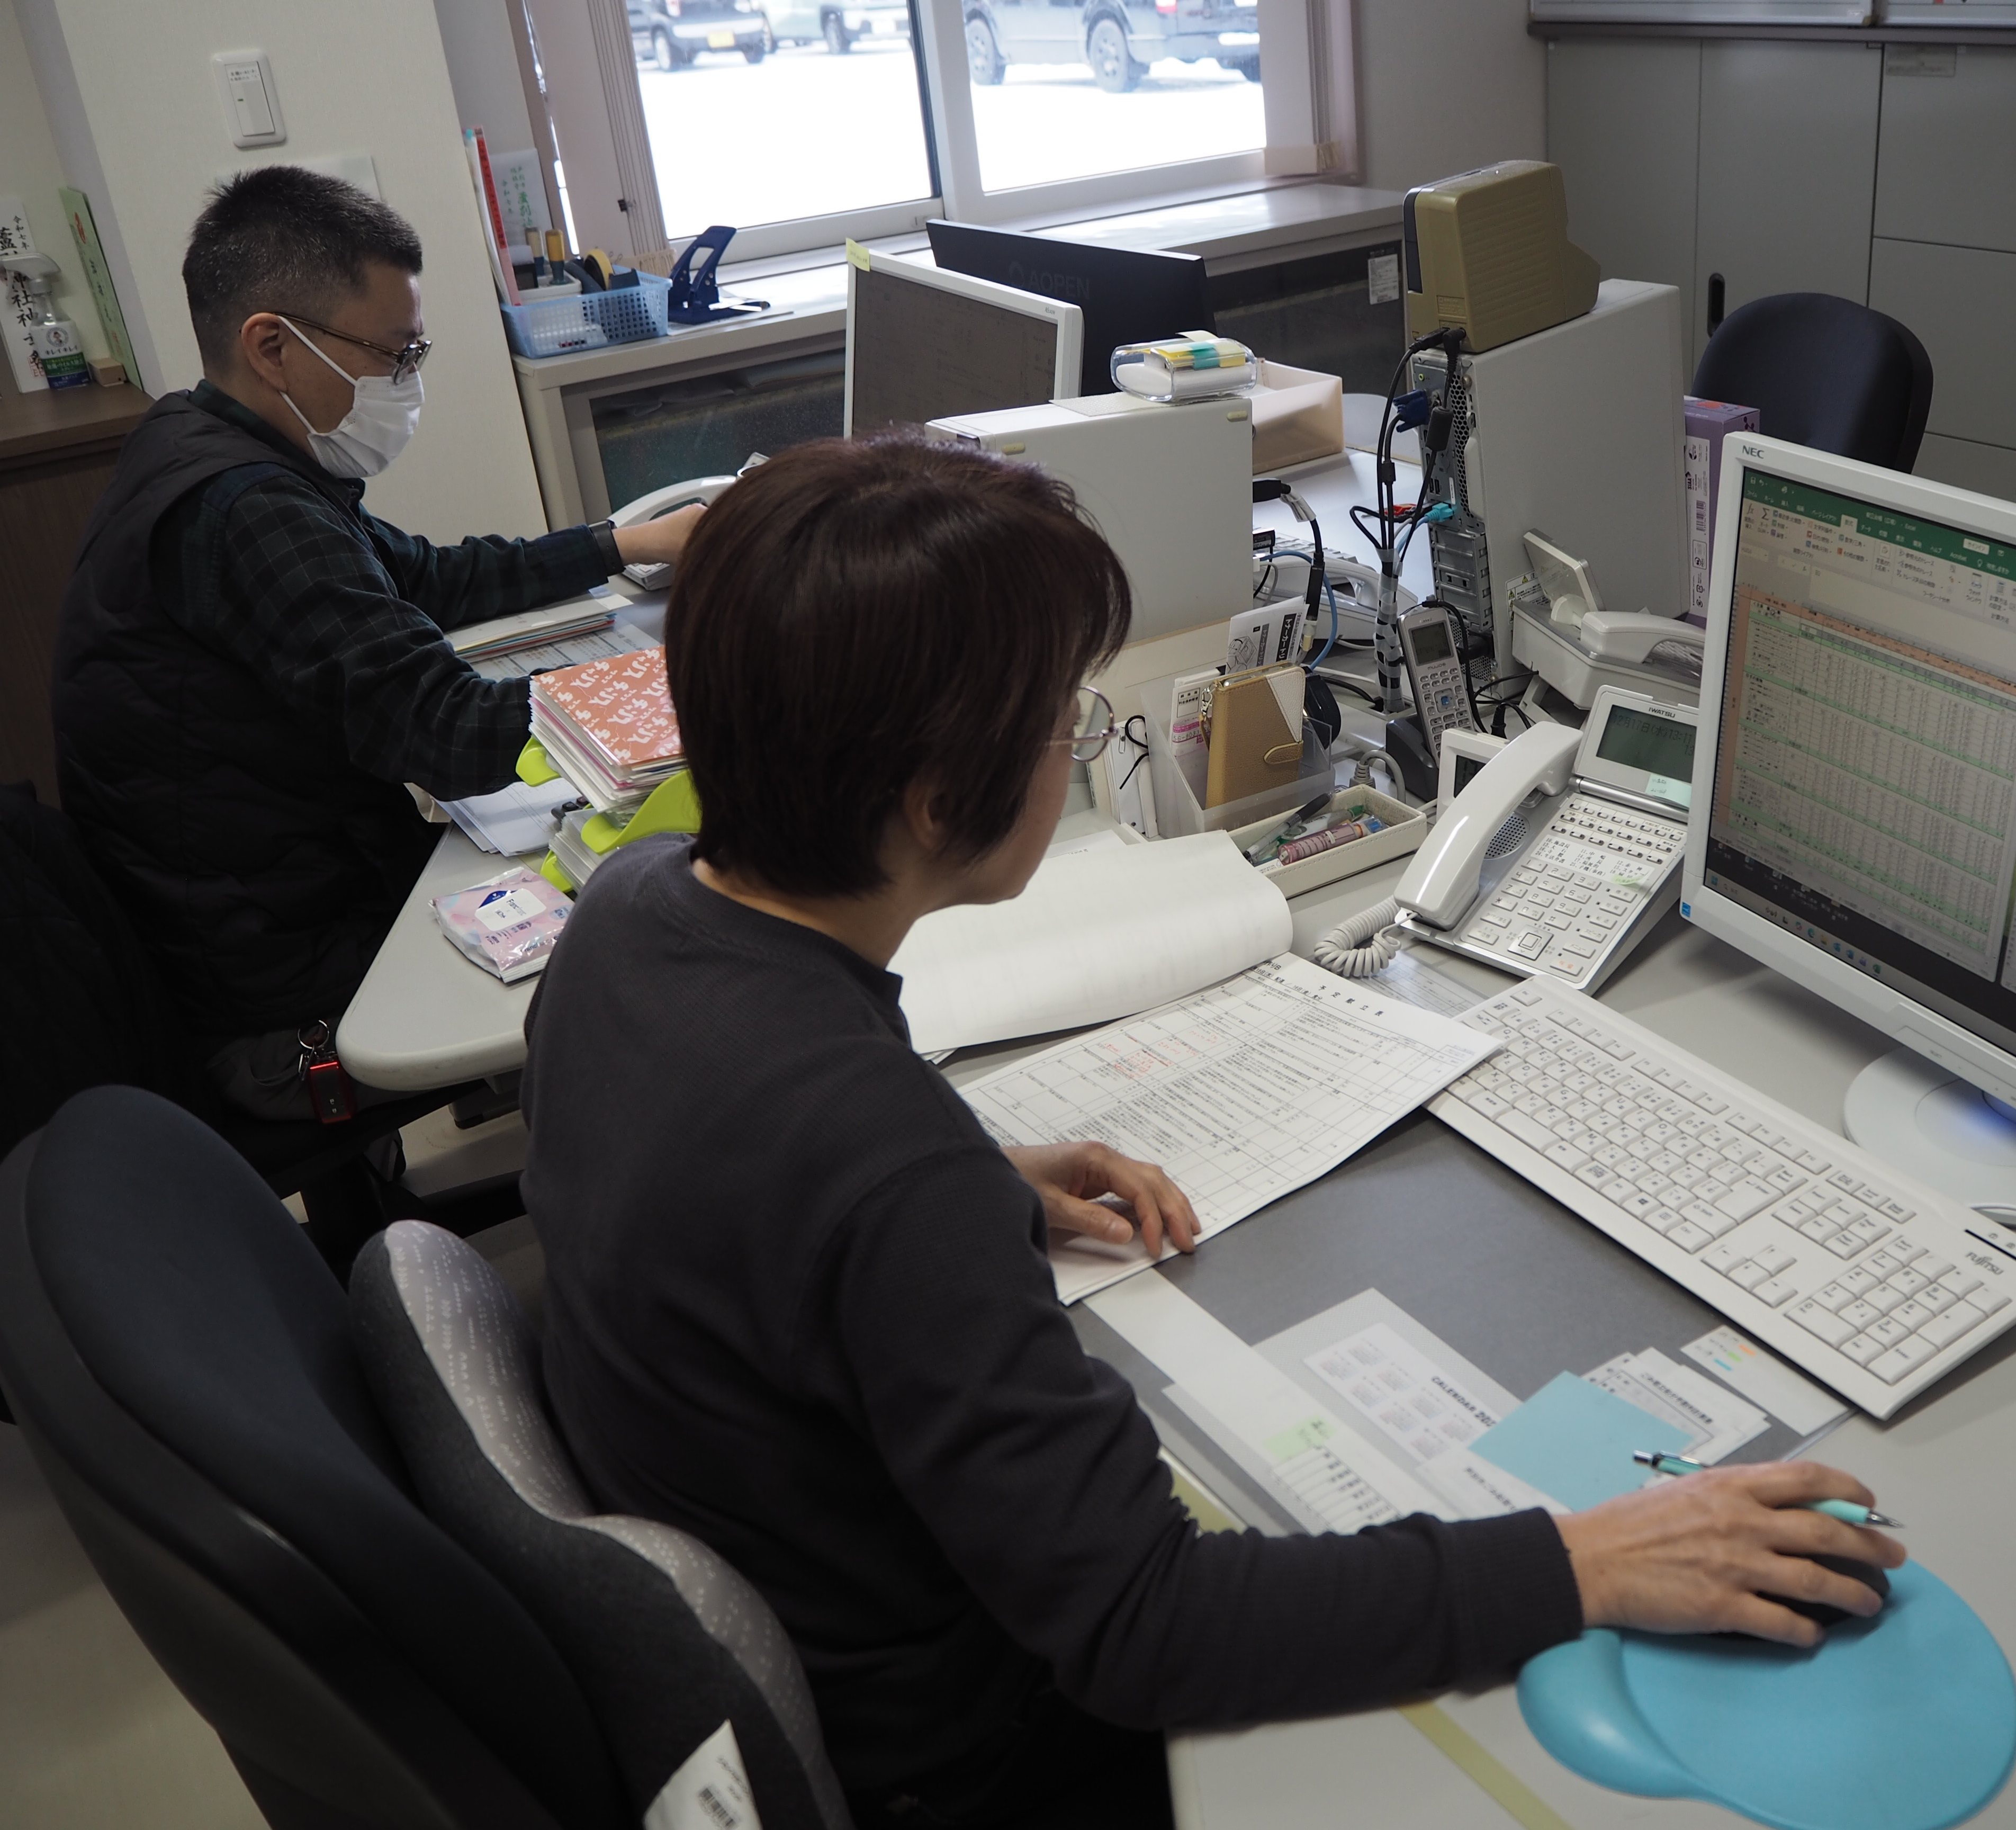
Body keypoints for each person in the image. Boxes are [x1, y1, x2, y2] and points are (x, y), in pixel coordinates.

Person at [520, 437, 1904, 1829]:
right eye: (1062, 721)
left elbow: (734, 1168)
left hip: (802, 1585)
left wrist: (975, 1182)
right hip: (965, 1757)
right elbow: (1147, 1623)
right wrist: (1585, 1564)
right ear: (938, 804)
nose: (1073, 742)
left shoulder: (632, 910)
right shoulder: (885, 1176)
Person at [50, 165, 699, 1122]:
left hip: (255, 923)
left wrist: (625, 543)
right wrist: (700, 676)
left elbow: (425, 577)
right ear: (273, 346)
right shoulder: (247, 509)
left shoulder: (204, 439)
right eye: (394, 353)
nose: (408, 380)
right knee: (682, 929)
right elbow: (446, 731)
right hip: (291, 1001)